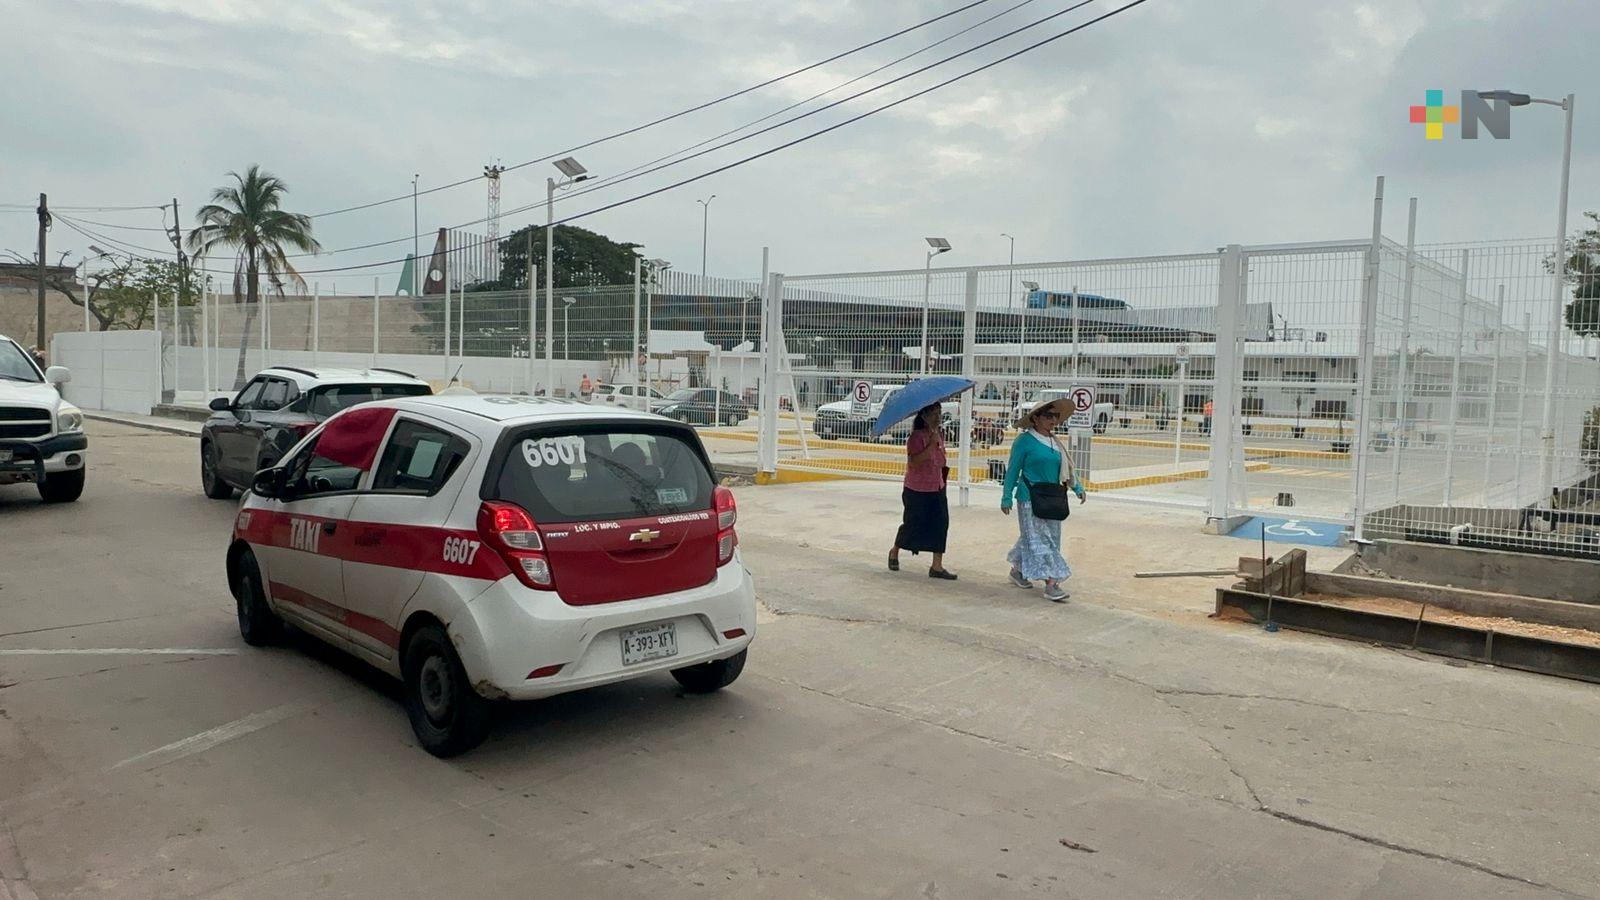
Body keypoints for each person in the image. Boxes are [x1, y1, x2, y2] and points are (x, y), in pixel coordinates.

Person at [1000, 399, 1085, 602]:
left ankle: (1017, 570)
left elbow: (1066, 470)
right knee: (1040, 540)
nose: (1053, 420)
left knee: (1042, 537)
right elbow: (1013, 470)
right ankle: (1051, 583)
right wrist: (1006, 496)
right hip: (1029, 497)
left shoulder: (1055, 442)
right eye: (1048, 416)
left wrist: (1078, 488)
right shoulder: (1025, 441)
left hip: (1052, 498)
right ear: (1035, 418)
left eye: (1056, 416)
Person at [888, 403, 956, 580]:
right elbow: (914, 462)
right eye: (934, 413)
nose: (938, 417)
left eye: (939, 413)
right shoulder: (916, 437)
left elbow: (941, 459)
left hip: (937, 486)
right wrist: (931, 446)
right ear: (924, 415)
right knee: (913, 524)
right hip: (917, 488)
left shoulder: (938, 435)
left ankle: (937, 566)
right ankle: (895, 550)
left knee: (941, 523)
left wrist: (937, 445)